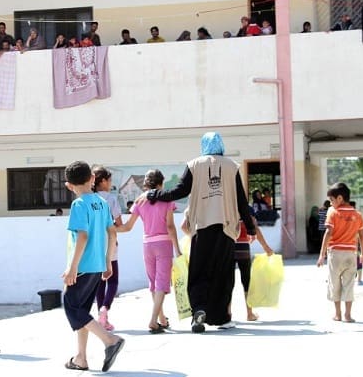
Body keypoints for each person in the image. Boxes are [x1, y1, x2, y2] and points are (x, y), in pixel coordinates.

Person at [141, 131, 256, 332]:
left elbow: (179, 191)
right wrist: (251, 228)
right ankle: (221, 317)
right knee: (223, 273)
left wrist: (155, 194)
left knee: (199, 271)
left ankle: (199, 311)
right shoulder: (232, 166)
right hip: (226, 229)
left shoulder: (194, 165)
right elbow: (241, 200)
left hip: (201, 227)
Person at [62, 161, 125, 372]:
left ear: (69, 185)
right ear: (92, 179)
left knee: (72, 307)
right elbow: (112, 233)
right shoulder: (102, 202)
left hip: (82, 266)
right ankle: (81, 357)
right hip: (97, 266)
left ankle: (110, 340)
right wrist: (108, 262)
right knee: (83, 312)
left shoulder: (78, 205)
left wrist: (72, 268)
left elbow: (82, 236)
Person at [117, 169, 181, 333]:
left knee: (153, 283)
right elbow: (170, 226)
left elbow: (127, 227)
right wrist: (177, 249)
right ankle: (153, 320)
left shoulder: (140, 200)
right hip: (163, 244)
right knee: (161, 283)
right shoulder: (166, 199)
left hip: (147, 245)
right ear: (161, 183)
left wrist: (110, 229)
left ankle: (162, 319)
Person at [316, 183, 363, 323]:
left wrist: (321, 255)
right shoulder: (357, 215)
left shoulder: (333, 213)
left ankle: (338, 314)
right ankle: (348, 315)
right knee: (349, 283)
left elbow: (328, 233)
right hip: (351, 254)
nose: (330, 203)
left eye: (331, 200)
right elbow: (362, 237)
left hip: (335, 254)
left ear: (339, 198)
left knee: (334, 283)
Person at [92, 165, 123, 331]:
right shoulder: (111, 199)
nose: (111, 183)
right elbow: (119, 223)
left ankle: (101, 318)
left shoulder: (90, 199)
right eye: (109, 180)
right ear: (102, 181)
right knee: (113, 280)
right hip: (110, 242)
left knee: (99, 281)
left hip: (94, 245)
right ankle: (105, 308)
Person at [232, 210, 274, 321]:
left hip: (228, 248)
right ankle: (249, 314)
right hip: (243, 248)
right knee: (246, 281)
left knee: (228, 282)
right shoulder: (247, 209)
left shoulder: (227, 207)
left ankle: (228, 313)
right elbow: (254, 228)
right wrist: (266, 247)